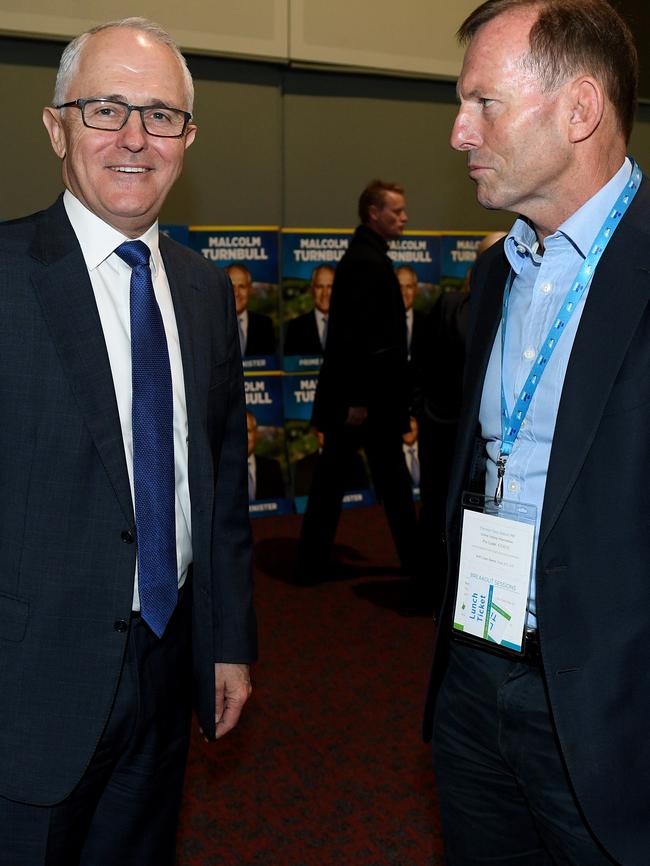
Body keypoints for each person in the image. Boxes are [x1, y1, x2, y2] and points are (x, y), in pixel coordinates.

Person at [0, 18, 257, 866]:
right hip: (27, 693)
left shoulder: (202, 289)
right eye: (106, 109)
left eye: (161, 115)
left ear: (188, 137)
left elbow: (216, 492)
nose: (135, 139)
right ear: (55, 127)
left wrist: (226, 642)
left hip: (165, 668)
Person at [424, 1, 647, 864]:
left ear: (580, 110)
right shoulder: (495, 275)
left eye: (484, 103)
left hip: (611, 706)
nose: (458, 131)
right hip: (478, 673)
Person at [297, 179, 418, 583]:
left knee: (338, 481)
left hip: (366, 400)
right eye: (396, 211)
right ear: (373, 213)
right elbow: (356, 340)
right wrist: (357, 401)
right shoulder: (366, 262)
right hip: (367, 403)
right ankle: (418, 571)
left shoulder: (366, 257)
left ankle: (310, 563)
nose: (404, 218)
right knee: (389, 485)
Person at [226, 262, 276, 356]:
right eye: (231, 287)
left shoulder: (265, 325)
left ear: (250, 290)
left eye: (242, 287)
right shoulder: (214, 325)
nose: (236, 293)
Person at [284, 264, 334, 355]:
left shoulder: (349, 326)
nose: (325, 293)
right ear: (312, 290)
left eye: (330, 287)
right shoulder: (295, 328)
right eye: (320, 287)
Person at [246, 411, 285, 500]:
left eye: (248, 431)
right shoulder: (224, 471)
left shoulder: (273, 468)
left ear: (256, 433)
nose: (243, 436)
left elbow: (281, 506)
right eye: (238, 432)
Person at [395, 265, 426, 359]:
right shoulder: (383, 323)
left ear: (416, 290)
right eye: (399, 286)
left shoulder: (428, 323)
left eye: (409, 287)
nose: (403, 292)